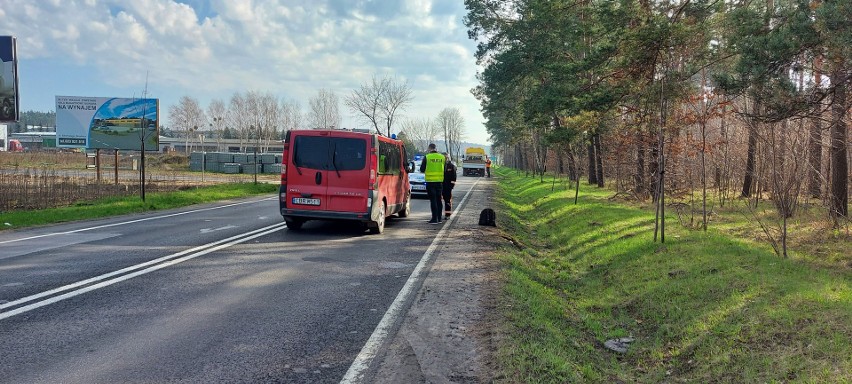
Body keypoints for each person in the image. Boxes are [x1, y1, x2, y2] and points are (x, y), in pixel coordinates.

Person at [419, 143, 446, 224]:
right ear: (435, 148)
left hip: (430, 182)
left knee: (433, 200)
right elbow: (444, 169)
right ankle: (439, 218)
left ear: (429, 148)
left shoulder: (427, 157)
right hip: (439, 181)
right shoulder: (442, 157)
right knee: (439, 200)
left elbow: (422, 169)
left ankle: (434, 219)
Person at [442, 152, 457, 219]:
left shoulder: (451, 166)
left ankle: (447, 215)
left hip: (448, 186)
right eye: (444, 157)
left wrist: (451, 186)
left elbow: (454, 177)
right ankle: (437, 215)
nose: (445, 158)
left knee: (447, 201)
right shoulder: (440, 165)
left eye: (446, 157)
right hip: (440, 185)